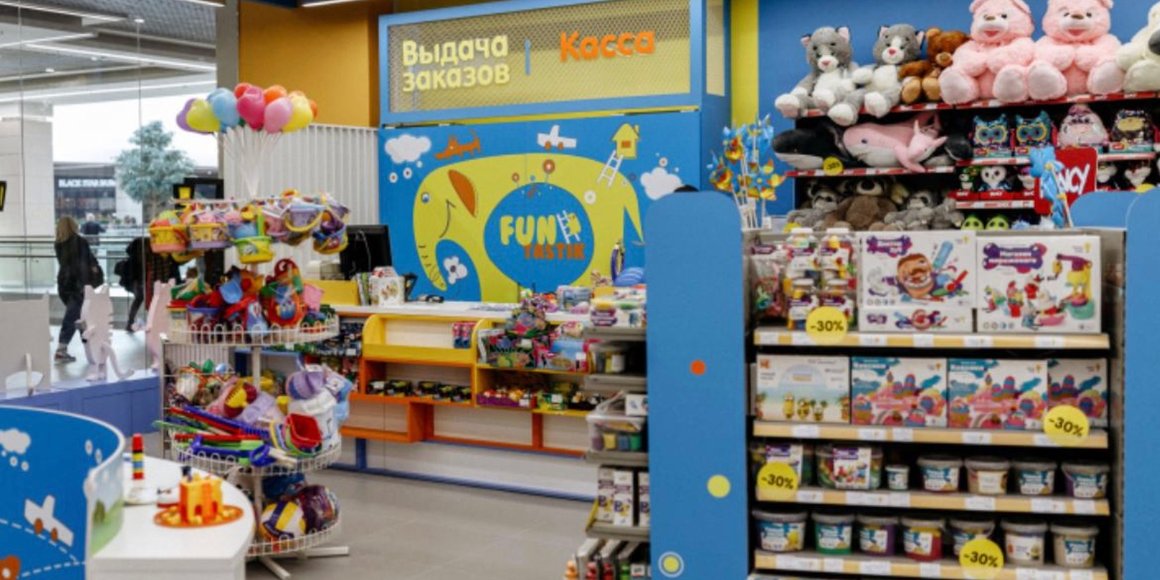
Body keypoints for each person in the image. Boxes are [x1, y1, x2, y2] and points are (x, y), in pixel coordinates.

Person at [54, 216, 104, 362]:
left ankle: (91, 349)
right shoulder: (80, 241)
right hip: (78, 284)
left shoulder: (58, 243)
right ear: (73, 225)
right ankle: (61, 350)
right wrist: (87, 281)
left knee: (80, 316)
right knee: (73, 316)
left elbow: (68, 264)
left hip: (64, 283)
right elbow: (84, 263)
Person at [121, 236, 178, 332]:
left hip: (138, 279)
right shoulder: (152, 253)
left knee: (139, 299)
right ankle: (150, 323)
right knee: (148, 299)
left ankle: (131, 322)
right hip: (143, 279)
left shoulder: (136, 252)